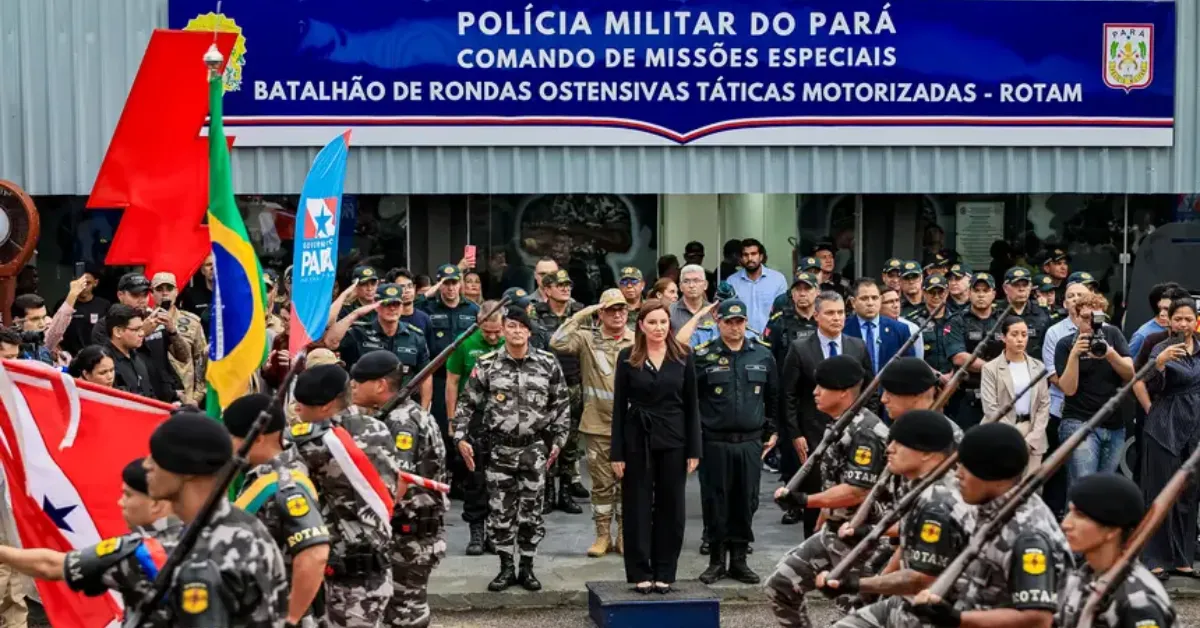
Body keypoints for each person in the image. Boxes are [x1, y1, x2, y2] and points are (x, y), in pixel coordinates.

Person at [766, 355, 888, 628]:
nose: (815, 392)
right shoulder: (839, 424)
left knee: (855, 615)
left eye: (822, 387)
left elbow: (857, 490)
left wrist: (804, 501)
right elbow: (835, 479)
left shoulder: (864, 431)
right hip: (833, 530)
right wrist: (823, 513)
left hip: (861, 539)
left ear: (843, 392)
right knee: (782, 585)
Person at [454, 305, 570, 592]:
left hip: (534, 448)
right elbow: (467, 403)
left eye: (522, 327)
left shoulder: (547, 363)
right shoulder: (488, 363)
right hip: (500, 451)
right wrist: (460, 436)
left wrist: (559, 441)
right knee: (501, 512)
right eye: (511, 326)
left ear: (529, 331)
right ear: (503, 330)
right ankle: (506, 568)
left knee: (532, 511)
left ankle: (527, 567)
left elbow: (561, 405)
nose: (516, 331)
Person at [909, 423, 1069, 628]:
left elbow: (1037, 618)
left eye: (966, 467)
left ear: (993, 475)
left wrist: (958, 619)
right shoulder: (988, 507)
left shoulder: (1027, 534)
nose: (958, 474)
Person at [820, 410, 969, 628]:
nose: (889, 449)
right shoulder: (919, 486)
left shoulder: (937, 503)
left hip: (938, 611)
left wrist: (853, 584)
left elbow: (919, 578)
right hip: (909, 600)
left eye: (900, 443)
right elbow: (906, 547)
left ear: (926, 453)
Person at [287, 364, 400, 627]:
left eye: (302, 405)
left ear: (325, 406)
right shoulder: (378, 428)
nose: (297, 410)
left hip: (344, 576)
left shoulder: (315, 443)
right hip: (376, 568)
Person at [350, 351, 449, 628]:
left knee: (405, 613)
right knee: (404, 607)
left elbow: (397, 484)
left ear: (380, 385)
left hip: (410, 535)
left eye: (358, 381)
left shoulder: (400, 422)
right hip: (410, 532)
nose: (353, 386)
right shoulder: (397, 413)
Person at [611, 300, 700, 594]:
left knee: (671, 506)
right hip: (637, 439)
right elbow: (618, 409)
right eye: (652, 323)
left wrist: (694, 449)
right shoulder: (627, 358)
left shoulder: (684, 357)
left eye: (663, 322)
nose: (659, 328)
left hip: (674, 439)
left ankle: (665, 570)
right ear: (641, 326)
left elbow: (692, 406)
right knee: (636, 506)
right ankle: (640, 570)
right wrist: (617, 452)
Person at [226, 394, 330, 628]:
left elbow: (315, 555)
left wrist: (290, 618)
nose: (229, 443)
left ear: (259, 438)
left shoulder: (285, 486)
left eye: (233, 436)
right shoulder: (263, 472)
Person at [694, 299, 778, 585]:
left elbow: (774, 398)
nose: (734, 326)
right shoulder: (703, 356)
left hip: (750, 443)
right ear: (719, 323)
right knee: (715, 500)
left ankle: (740, 560)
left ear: (745, 322)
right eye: (728, 321)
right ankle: (716, 560)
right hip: (714, 441)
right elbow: (691, 400)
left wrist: (774, 431)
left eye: (739, 321)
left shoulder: (763, 355)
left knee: (747, 500)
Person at [551, 289, 635, 558]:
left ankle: (624, 534)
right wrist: (584, 312)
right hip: (598, 425)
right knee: (601, 484)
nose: (618, 314)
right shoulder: (587, 338)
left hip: (631, 426)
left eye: (621, 309)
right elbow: (558, 342)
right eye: (611, 310)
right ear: (601, 313)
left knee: (628, 484)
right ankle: (602, 536)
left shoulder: (636, 339)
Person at [781, 291, 872, 533]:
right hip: (813, 434)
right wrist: (795, 434)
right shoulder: (800, 349)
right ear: (816, 315)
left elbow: (869, 391)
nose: (837, 318)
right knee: (817, 496)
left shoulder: (857, 346)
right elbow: (788, 395)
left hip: (853, 433)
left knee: (850, 492)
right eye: (830, 313)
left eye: (841, 312)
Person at [1055, 473, 1174, 627]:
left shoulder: (1138, 602)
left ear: (1112, 530)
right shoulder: (1083, 577)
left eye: (1080, 515)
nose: (1066, 524)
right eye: (1069, 512)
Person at [1141, 297, 1200, 580]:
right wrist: (1160, 365)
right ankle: (1154, 558)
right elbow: (1147, 383)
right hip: (1165, 425)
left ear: (1195, 320)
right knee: (1160, 492)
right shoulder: (1159, 348)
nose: (1183, 324)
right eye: (1179, 318)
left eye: (1189, 319)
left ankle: (1182, 558)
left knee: (1188, 494)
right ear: (1169, 320)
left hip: (1194, 427)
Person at [1055, 292, 1134, 484]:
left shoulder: (1113, 334)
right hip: (1079, 421)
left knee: (1104, 488)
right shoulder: (1066, 344)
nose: (1091, 324)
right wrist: (1074, 355)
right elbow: (1068, 389)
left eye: (1096, 318)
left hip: (1113, 423)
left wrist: (1110, 353)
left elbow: (1130, 374)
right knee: (1083, 487)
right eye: (1085, 318)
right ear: (1076, 317)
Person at [527, 272, 588, 514]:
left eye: (567, 284)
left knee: (570, 441)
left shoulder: (579, 313)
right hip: (547, 385)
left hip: (573, 382)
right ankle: (548, 493)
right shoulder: (536, 313)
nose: (565, 289)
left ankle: (565, 491)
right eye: (559, 285)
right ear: (546, 289)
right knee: (546, 440)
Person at [333, 282, 432, 408]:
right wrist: (355, 314)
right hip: (364, 407)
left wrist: (424, 409)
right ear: (376, 306)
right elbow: (331, 342)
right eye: (387, 304)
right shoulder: (359, 332)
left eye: (396, 304)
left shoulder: (415, 336)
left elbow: (425, 375)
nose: (392, 309)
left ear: (402, 307)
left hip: (401, 408)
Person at [92, 273, 184, 402]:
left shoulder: (156, 317)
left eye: (145, 295)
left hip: (165, 395)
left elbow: (183, 357)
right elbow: (106, 364)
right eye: (135, 295)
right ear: (120, 295)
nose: (142, 300)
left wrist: (173, 331)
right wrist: (143, 332)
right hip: (133, 397)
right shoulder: (106, 324)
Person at [981, 316, 1053, 472]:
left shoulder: (1038, 366)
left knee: (1029, 489)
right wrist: (1013, 437)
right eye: (1014, 334)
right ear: (1003, 338)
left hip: (1033, 433)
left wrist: (1033, 438)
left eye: (1024, 334)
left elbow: (1044, 404)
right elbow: (990, 407)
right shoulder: (990, 368)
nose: (1020, 339)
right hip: (1000, 432)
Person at [945, 272, 1004, 428]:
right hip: (966, 395)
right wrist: (993, 369)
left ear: (994, 294)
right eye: (977, 290)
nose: (981, 295)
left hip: (1000, 394)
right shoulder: (957, 320)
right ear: (969, 293)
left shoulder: (1005, 320)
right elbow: (958, 357)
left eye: (985, 290)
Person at [152, 272, 208, 407]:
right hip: (155, 397)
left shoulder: (192, 322)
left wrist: (197, 397)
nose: (164, 293)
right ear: (152, 293)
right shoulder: (143, 322)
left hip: (186, 398)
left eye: (169, 289)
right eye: (159, 289)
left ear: (176, 292)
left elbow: (201, 359)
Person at [844, 278, 915, 378]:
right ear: (853, 302)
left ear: (881, 300)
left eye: (874, 298)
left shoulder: (900, 329)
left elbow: (910, 368)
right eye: (864, 298)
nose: (870, 303)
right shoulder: (843, 329)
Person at [727, 238, 788, 335]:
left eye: (753, 254)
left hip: (773, 338)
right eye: (745, 255)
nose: (750, 258)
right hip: (742, 339)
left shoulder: (778, 279)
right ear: (741, 258)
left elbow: (783, 312)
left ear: (761, 256)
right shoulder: (732, 281)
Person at [57, 264, 111, 357]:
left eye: (88, 283)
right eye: (80, 283)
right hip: (70, 357)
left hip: (97, 356)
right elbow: (55, 330)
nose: (83, 287)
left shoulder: (104, 305)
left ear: (95, 283)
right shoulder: (65, 304)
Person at [104, 304, 156, 398]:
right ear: (118, 332)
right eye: (136, 329)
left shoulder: (138, 358)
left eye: (141, 328)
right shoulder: (104, 363)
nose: (142, 333)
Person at [1001, 267, 1053, 359]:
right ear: (1005, 288)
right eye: (1016, 285)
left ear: (1030, 287)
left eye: (1025, 285)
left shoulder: (1042, 311)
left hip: (1036, 368)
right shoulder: (996, 312)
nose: (1021, 289)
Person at [1130, 282, 1186, 357]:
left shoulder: (1186, 332)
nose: (1162, 314)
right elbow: (1130, 366)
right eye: (1162, 308)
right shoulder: (1143, 335)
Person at [878, 285, 924, 360]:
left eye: (897, 300)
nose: (895, 305)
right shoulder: (871, 328)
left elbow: (917, 361)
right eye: (889, 302)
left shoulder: (912, 328)